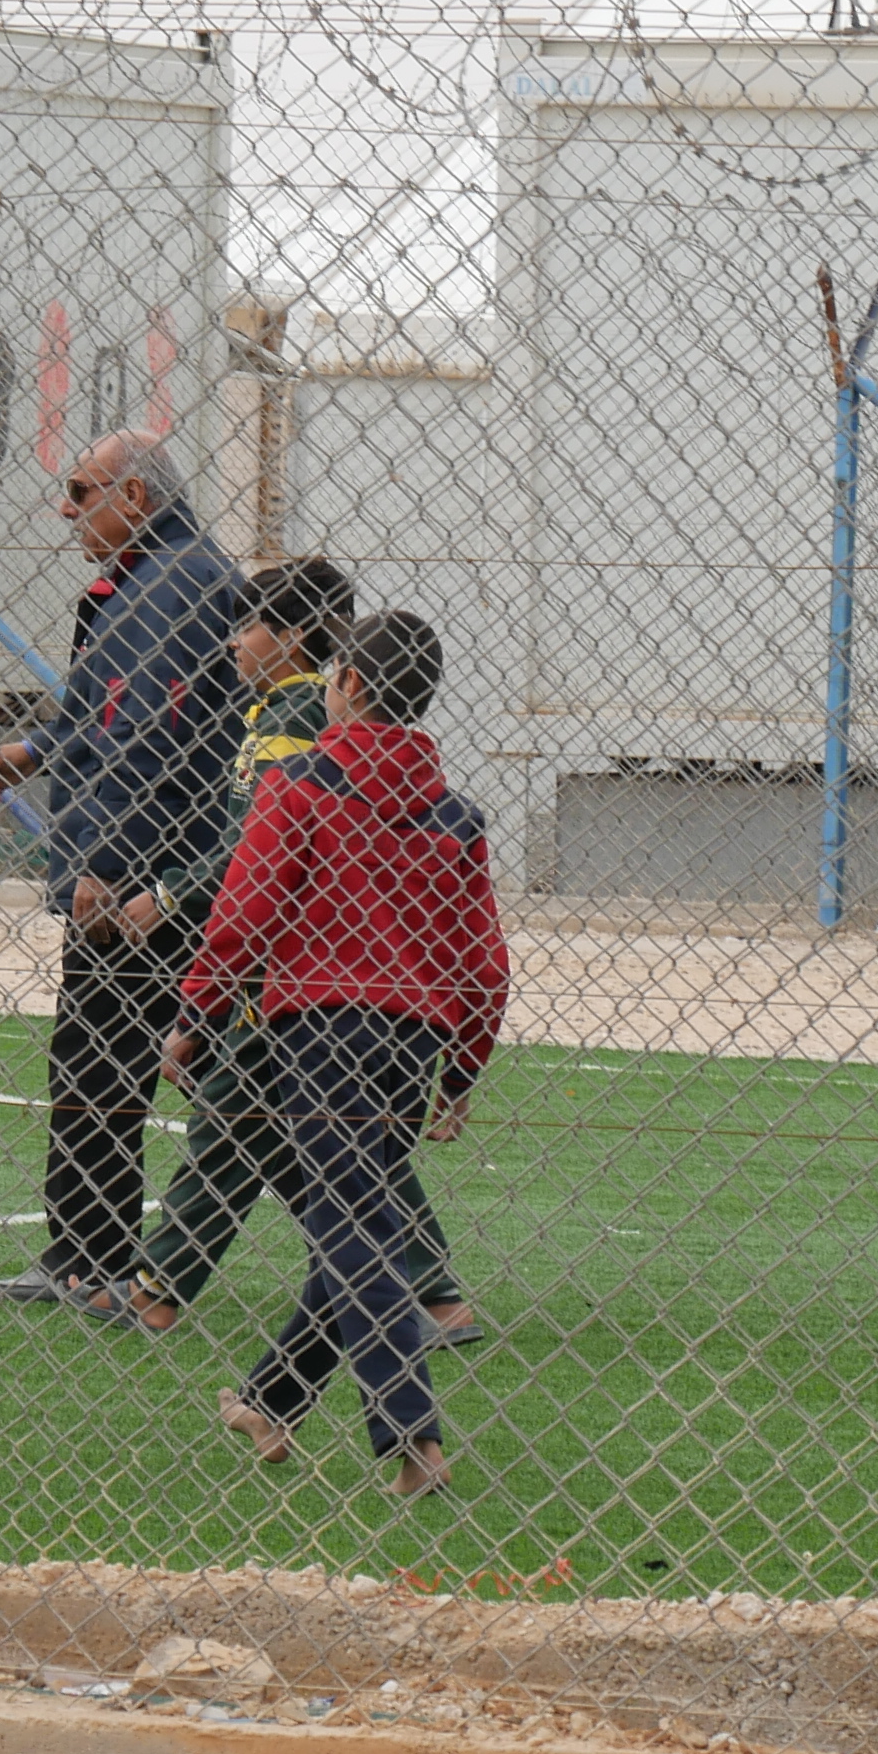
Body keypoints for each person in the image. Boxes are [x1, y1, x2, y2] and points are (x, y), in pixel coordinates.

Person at [167, 611, 507, 1499]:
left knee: (354, 1231)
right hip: (414, 1042)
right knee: (363, 1224)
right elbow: (482, 963)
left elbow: (244, 913)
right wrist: (461, 1069)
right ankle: (272, 1400)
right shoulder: (454, 816)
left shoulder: (300, 786)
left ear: (348, 684)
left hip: (317, 1035)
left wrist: (197, 1014)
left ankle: (415, 1438)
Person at [113, 554, 481, 1348]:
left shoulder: (297, 736)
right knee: (337, 1147)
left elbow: (257, 871)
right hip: (379, 1006)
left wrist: (184, 944)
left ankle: (161, 1291)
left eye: (247, 625)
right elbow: (478, 952)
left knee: (237, 1123)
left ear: (304, 644)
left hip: (292, 986)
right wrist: (463, 1063)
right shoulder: (312, 731)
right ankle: (427, 1297)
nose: (232, 641)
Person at [0, 432, 247, 1314]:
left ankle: (92, 1257)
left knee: (109, 1061)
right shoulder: (158, 580)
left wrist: (102, 867)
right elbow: (105, 714)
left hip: (147, 881)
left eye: (80, 490)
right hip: (162, 865)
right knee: (164, 1066)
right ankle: (91, 1254)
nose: (66, 508)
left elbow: (146, 745)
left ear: (135, 495)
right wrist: (35, 748)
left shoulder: (173, 588)